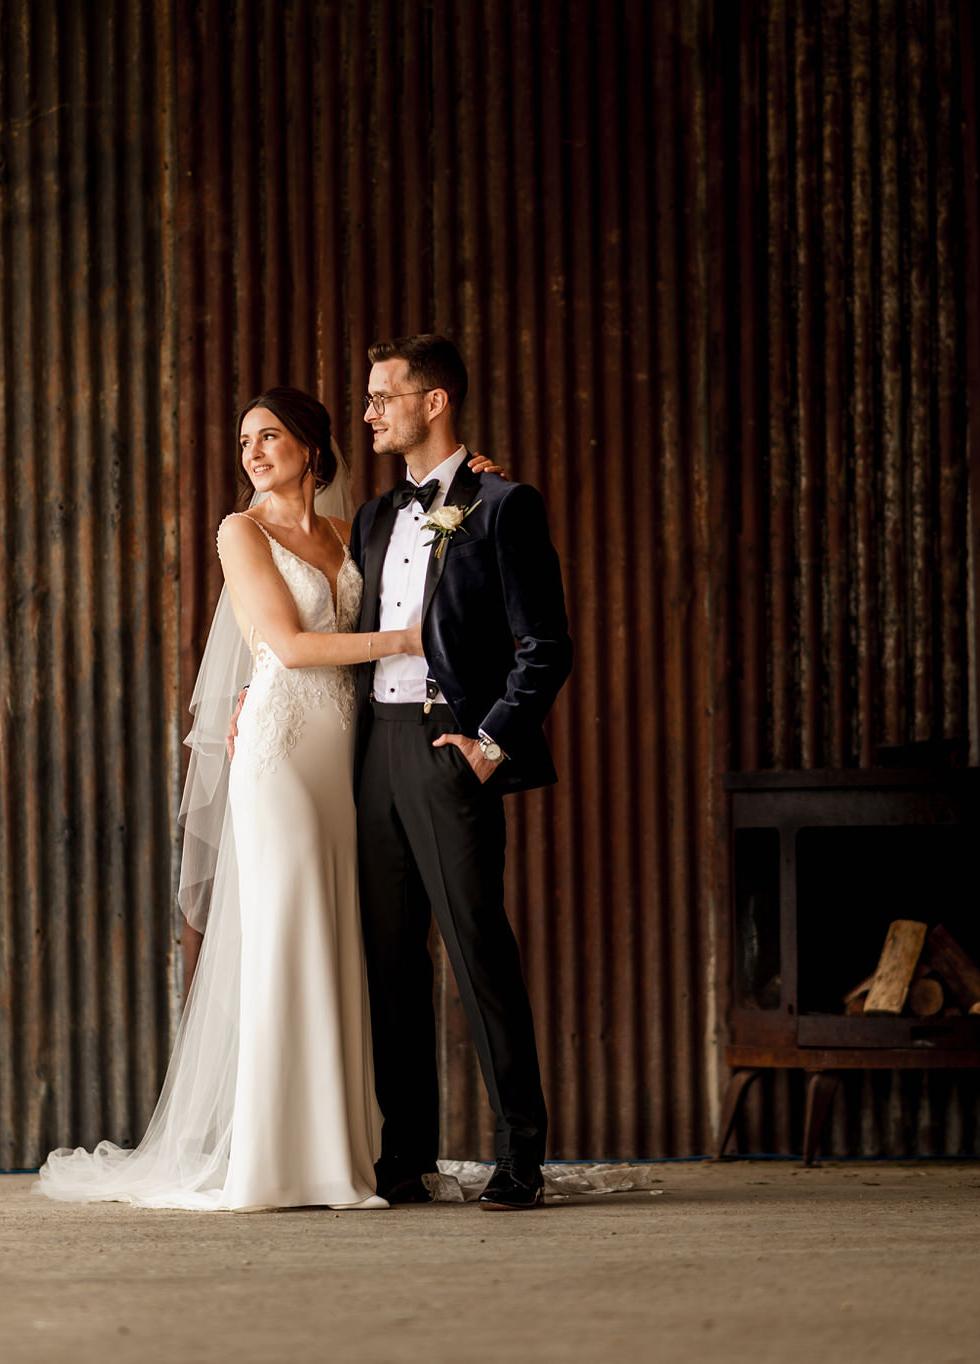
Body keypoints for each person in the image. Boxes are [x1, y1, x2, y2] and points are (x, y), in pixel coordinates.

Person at [35, 387, 419, 1211]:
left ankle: (335, 1149)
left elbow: (410, 570)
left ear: (313, 449)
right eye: (245, 439)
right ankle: (273, 1158)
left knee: (332, 931)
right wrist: (408, 640)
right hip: (277, 751)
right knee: (284, 928)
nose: (251, 451)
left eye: (269, 436)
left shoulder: (352, 537)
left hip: (339, 751)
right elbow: (283, 642)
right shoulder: (238, 531)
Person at [349, 334, 573, 1211]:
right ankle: (405, 1157)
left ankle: (522, 1156)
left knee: (481, 952)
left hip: (450, 748)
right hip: (374, 751)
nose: (370, 412)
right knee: (390, 961)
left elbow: (545, 645)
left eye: (383, 396)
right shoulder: (371, 517)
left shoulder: (505, 505)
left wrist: (489, 743)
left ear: (433, 401)